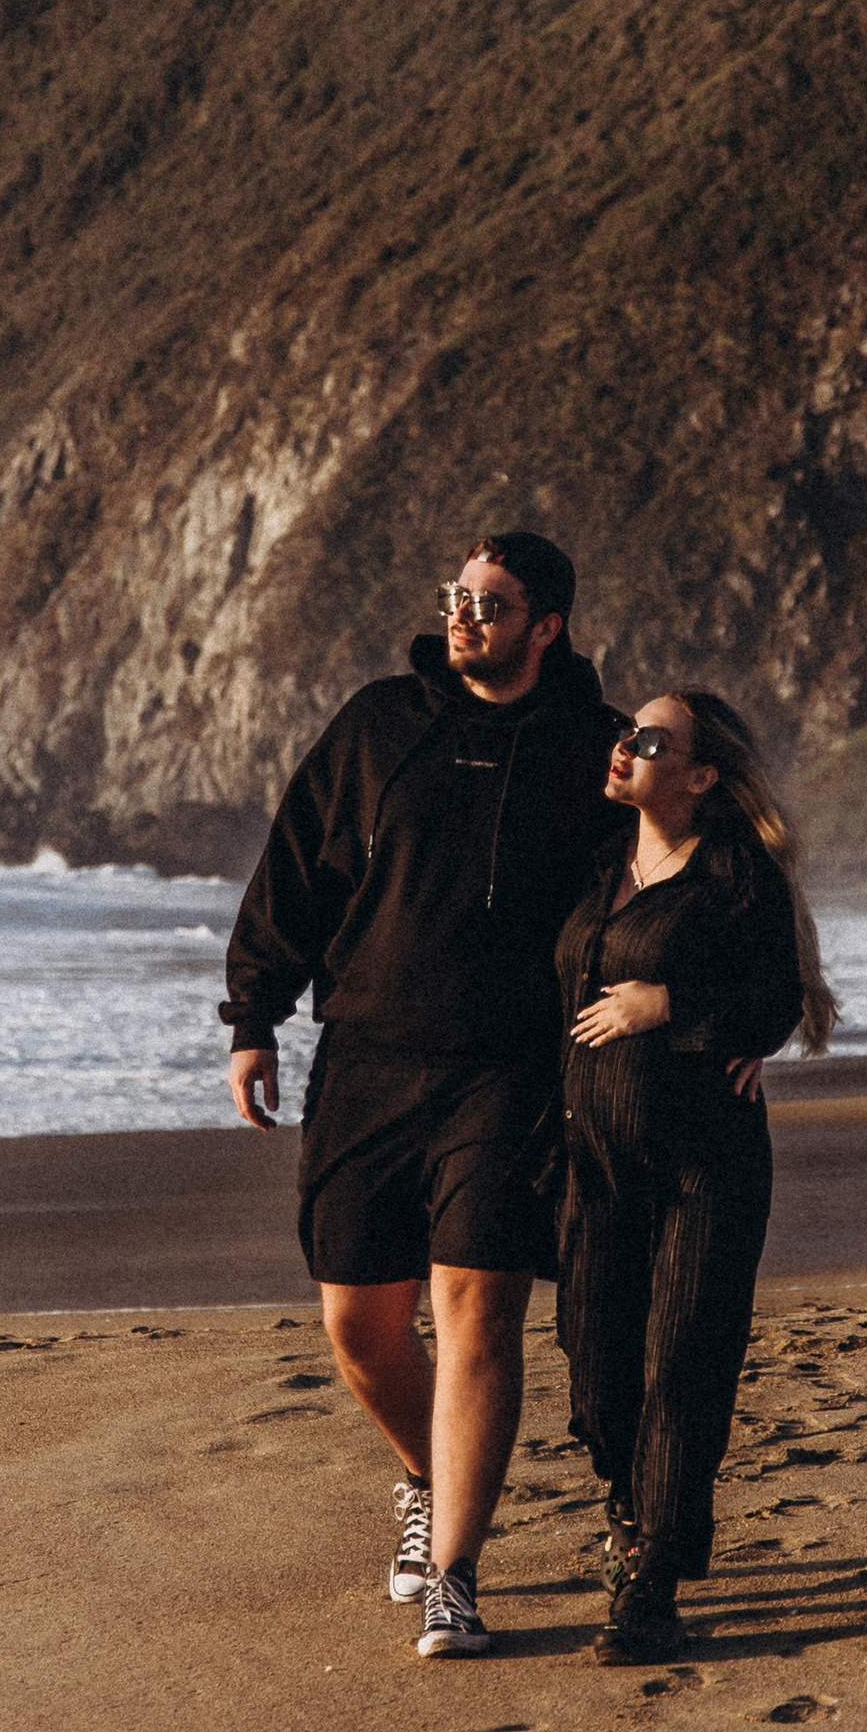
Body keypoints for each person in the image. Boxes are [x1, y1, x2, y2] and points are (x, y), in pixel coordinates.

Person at [224, 532, 617, 1657]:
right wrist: (254, 1017)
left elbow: (665, 873)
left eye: (490, 603)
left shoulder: (590, 748)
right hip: (368, 1063)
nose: (463, 617)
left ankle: (453, 1567)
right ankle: (419, 1473)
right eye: (456, 597)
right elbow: (294, 867)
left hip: (511, 1072)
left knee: (479, 1307)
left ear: (546, 625)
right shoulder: (377, 728)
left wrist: (688, 1014)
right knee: (359, 1324)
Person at [555, 690, 838, 1664]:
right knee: (595, 1371)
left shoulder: (733, 874)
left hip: (703, 1165)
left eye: (649, 741)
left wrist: (666, 1002)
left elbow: (774, 998)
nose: (624, 750)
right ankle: (629, 1510)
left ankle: (652, 1581)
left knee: (680, 1364)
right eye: (626, 734)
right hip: (591, 1161)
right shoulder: (597, 865)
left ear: (700, 775)